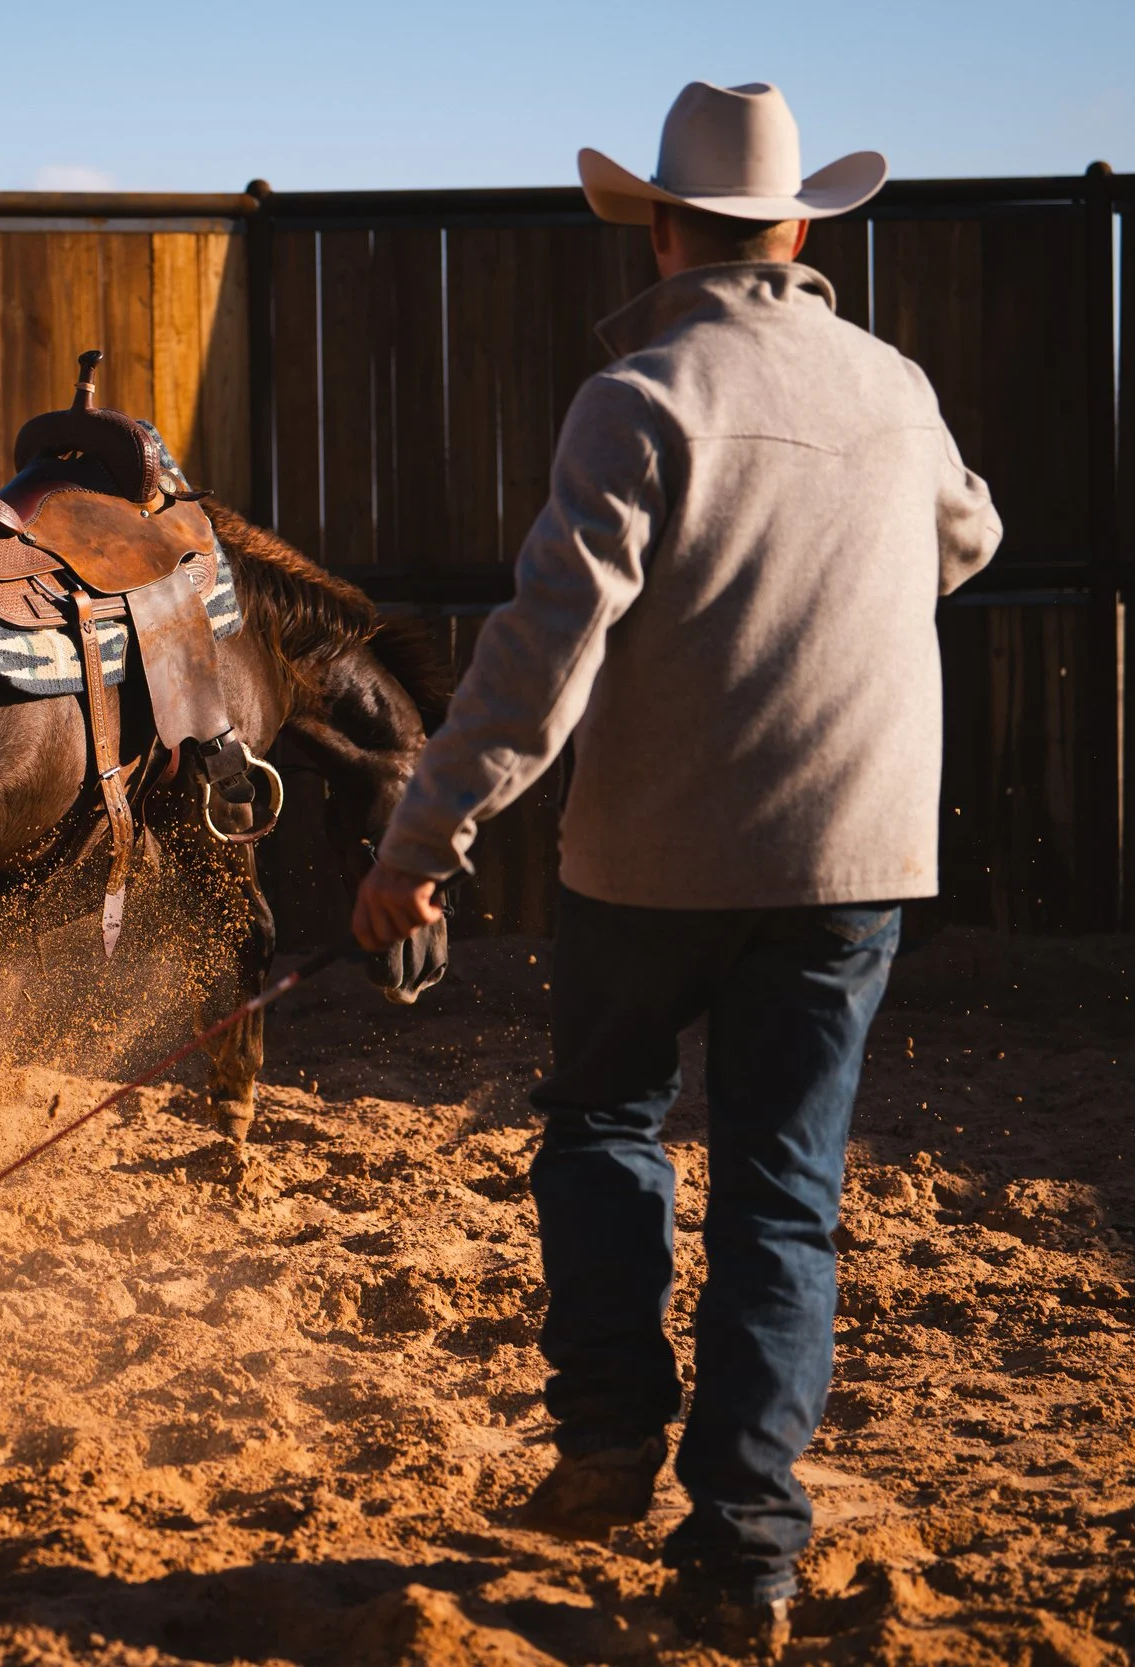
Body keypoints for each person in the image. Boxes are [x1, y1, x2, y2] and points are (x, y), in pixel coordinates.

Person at [349, 81, 1001, 1653]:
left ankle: (608, 1433)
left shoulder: (640, 394)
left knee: (603, 1120)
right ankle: (745, 1552)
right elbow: (969, 538)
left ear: (658, 226)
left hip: (648, 860)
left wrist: (423, 840)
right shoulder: (895, 388)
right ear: (797, 227)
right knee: (784, 1190)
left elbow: (539, 663)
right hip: (852, 861)